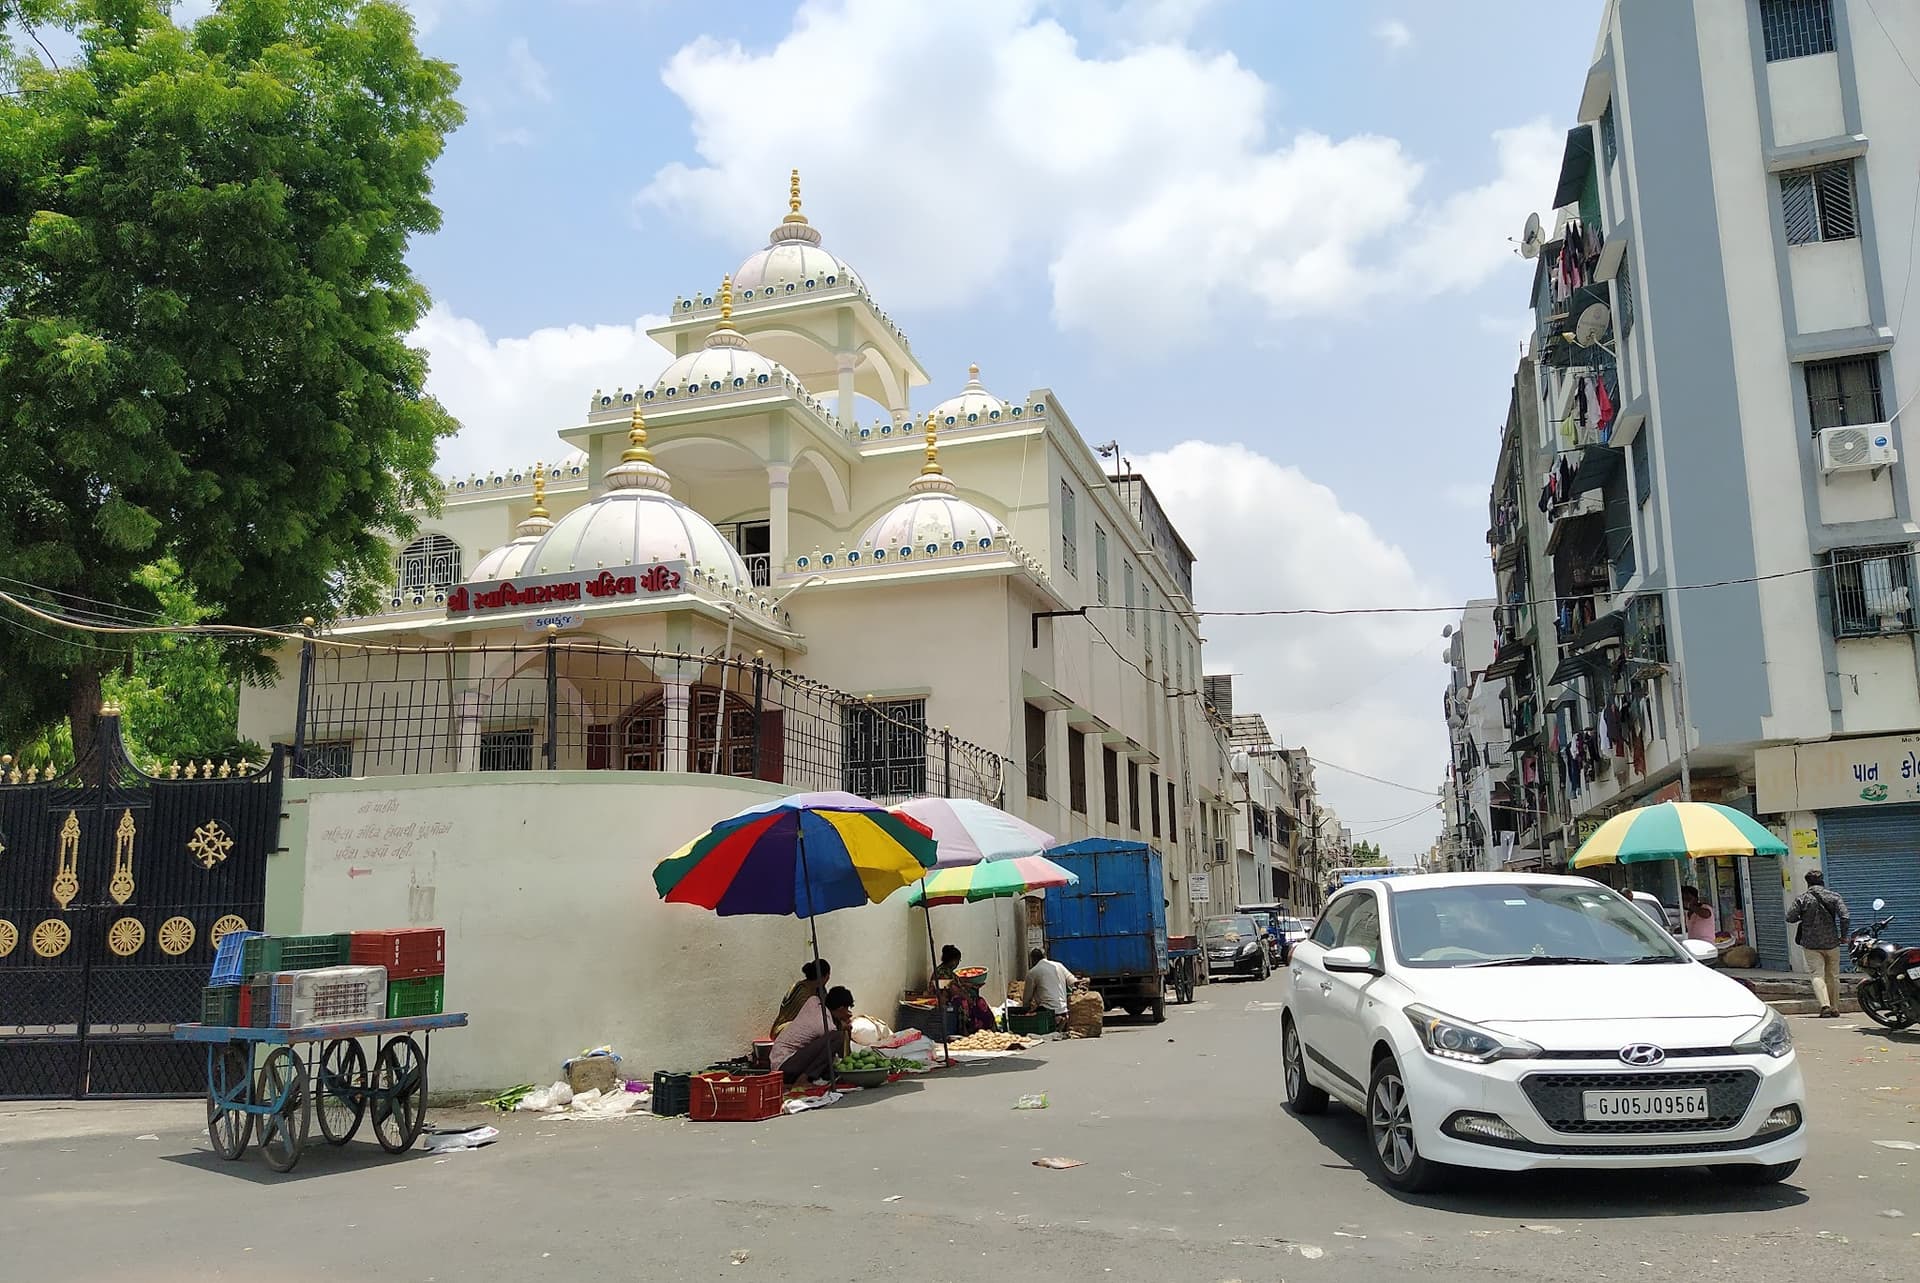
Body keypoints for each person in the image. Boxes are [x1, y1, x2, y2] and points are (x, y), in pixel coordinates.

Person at [1786, 871, 1851, 1018]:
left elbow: (1790, 917)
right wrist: (1844, 936)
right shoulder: (1834, 897)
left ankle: (1825, 1006)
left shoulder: (1802, 899)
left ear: (1807, 883)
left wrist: (1803, 916)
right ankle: (1835, 1008)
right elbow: (1845, 916)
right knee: (1833, 975)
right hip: (1832, 942)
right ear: (1822, 881)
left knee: (1817, 974)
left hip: (1811, 943)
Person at [769, 985, 855, 1085]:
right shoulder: (824, 1024)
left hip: (788, 1063)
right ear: (841, 1008)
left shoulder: (813, 1001)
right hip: (785, 1066)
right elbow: (838, 1049)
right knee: (837, 1037)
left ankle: (814, 1077)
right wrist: (843, 1028)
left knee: (829, 1061)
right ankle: (804, 1078)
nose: (849, 1013)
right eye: (847, 1009)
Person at [934, 944, 995, 1036]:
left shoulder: (949, 971)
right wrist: (968, 998)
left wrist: (972, 986)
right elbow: (952, 989)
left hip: (958, 996)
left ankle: (988, 1029)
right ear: (953, 961)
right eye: (958, 960)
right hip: (947, 1000)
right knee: (963, 1003)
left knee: (980, 1001)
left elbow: (958, 982)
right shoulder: (941, 972)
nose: (958, 963)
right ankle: (965, 1030)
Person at [771, 958, 830, 1038]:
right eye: (828, 976)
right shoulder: (802, 990)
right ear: (824, 977)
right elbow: (807, 1017)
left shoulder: (819, 990)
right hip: (784, 1029)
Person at [1021, 947, 1076, 1023]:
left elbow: (1027, 998)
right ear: (1045, 956)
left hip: (1046, 1011)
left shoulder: (1032, 972)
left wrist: (1025, 1010)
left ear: (1033, 959)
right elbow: (1073, 981)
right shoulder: (1059, 965)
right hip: (1063, 1009)